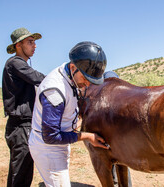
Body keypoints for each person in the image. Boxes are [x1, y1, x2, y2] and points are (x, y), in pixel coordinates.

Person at [29, 41, 109, 186]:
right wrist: (87, 136)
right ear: (73, 67)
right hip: (49, 149)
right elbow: (51, 136)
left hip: (59, 145)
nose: (87, 84)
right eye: (85, 79)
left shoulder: (70, 76)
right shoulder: (55, 91)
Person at [2, 27, 45, 187]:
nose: (35, 46)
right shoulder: (15, 63)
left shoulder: (19, 65)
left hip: (25, 125)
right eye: (30, 42)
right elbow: (39, 78)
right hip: (21, 126)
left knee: (25, 172)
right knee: (20, 175)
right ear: (18, 45)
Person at [103, 71, 133, 187]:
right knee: (121, 164)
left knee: (113, 164)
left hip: (112, 140)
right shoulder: (125, 97)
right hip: (119, 140)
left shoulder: (104, 100)